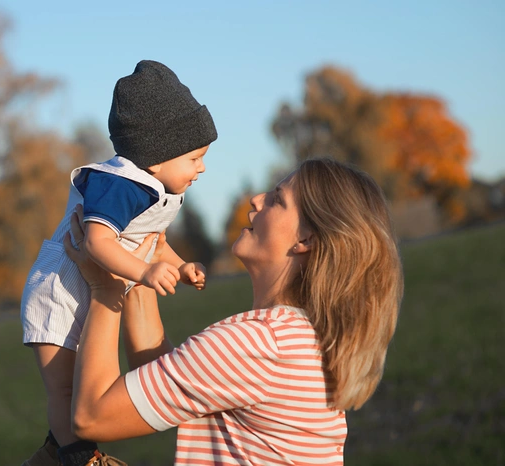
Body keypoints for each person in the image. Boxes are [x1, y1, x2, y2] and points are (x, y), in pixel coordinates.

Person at [64, 158, 404, 465]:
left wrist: (105, 289)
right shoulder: (299, 338)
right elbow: (161, 383)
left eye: (277, 199)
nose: (257, 200)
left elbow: (91, 416)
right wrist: (137, 272)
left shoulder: (261, 344)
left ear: (306, 239)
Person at [21, 60, 218, 466]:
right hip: (57, 293)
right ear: (157, 156)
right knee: (63, 391)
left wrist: (179, 266)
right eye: (194, 158)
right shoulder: (119, 184)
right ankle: (79, 458)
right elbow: (97, 240)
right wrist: (144, 272)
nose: (202, 168)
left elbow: (150, 242)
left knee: (85, 385)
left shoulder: (156, 186)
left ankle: (61, 453)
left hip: (90, 290)